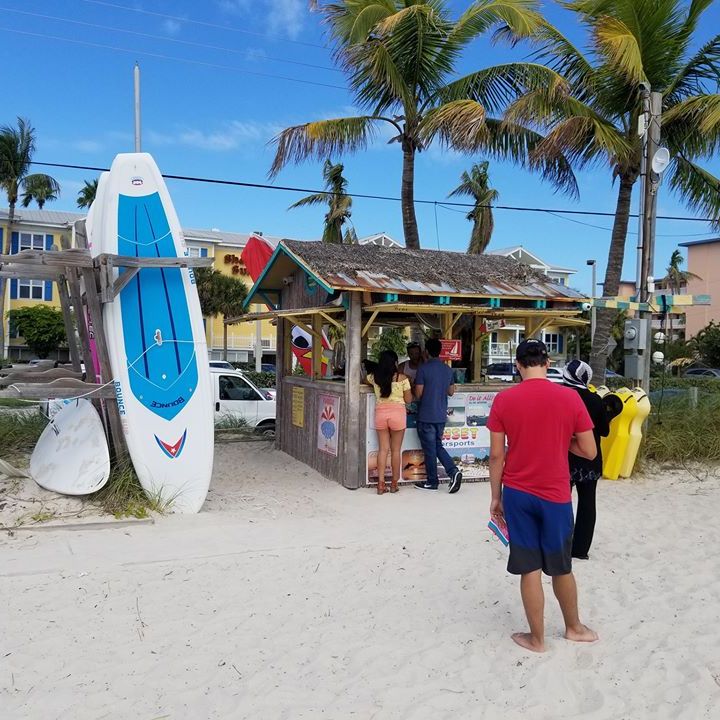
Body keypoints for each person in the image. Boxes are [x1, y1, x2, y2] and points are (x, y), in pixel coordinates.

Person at [487, 339, 599, 653]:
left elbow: (497, 456)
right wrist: (561, 442)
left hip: (518, 494)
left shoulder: (504, 400)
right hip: (556, 494)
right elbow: (589, 451)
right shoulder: (569, 397)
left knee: (529, 568)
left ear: (518, 365)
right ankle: (574, 628)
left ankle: (537, 639)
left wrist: (496, 497)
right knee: (562, 566)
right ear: (547, 363)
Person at [562, 359, 610, 560]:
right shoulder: (595, 400)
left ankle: (560, 544)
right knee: (587, 503)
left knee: (561, 502)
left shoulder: (561, 397)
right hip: (590, 459)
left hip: (564, 457)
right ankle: (580, 550)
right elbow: (604, 432)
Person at [414, 338, 463, 493]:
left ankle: (432, 481)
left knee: (430, 449)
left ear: (426, 351)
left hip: (426, 416)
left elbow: (418, 393)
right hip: (440, 415)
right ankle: (453, 472)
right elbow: (451, 391)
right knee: (437, 446)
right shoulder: (447, 369)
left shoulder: (423, 369)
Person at [366, 350, 413, 495]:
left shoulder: (374, 377)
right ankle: (394, 484)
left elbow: (363, 379)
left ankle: (380, 484)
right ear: (395, 363)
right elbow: (409, 400)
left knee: (383, 450)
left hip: (380, 414)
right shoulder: (402, 378)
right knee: (395, 450)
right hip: (398, 415)